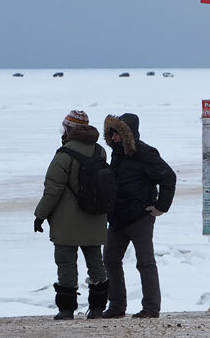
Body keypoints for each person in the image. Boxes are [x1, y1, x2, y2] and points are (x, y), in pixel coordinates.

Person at [33, 110, 109, 320]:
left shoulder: (63, 155)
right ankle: (97, 308)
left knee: (66, 264)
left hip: (67, 222)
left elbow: (52, 190)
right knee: (96, 263)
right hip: (95, 216)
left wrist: (40, 216)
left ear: (69, 130)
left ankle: (66, 309)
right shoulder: (100, 151)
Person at [101, 113, 176, 318]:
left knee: (145, 262)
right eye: (112, 134)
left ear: (128, 134)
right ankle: (116, 306)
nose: (114, 138)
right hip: (117, 218)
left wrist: (161, 207)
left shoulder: (145, 153)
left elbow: (169, 177)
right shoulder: (116, 153)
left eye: (117, 134)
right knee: (110, 259)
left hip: (140, 216)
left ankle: (151, 308)